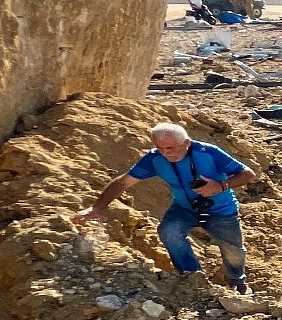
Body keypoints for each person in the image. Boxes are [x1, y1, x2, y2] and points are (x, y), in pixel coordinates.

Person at [72, 124, 255, 293]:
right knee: (169, 231)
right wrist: (97, 208)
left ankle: (237, 282)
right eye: (161, 148)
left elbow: (247, 174)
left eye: (171, 148)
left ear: (186, 143)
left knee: (233, 250)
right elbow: (123, 182)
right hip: (184, 208)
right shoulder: (155, 159)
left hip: (221, 209)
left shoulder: (208, 153)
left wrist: (219, 186)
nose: (166, 154)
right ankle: (192, 277)